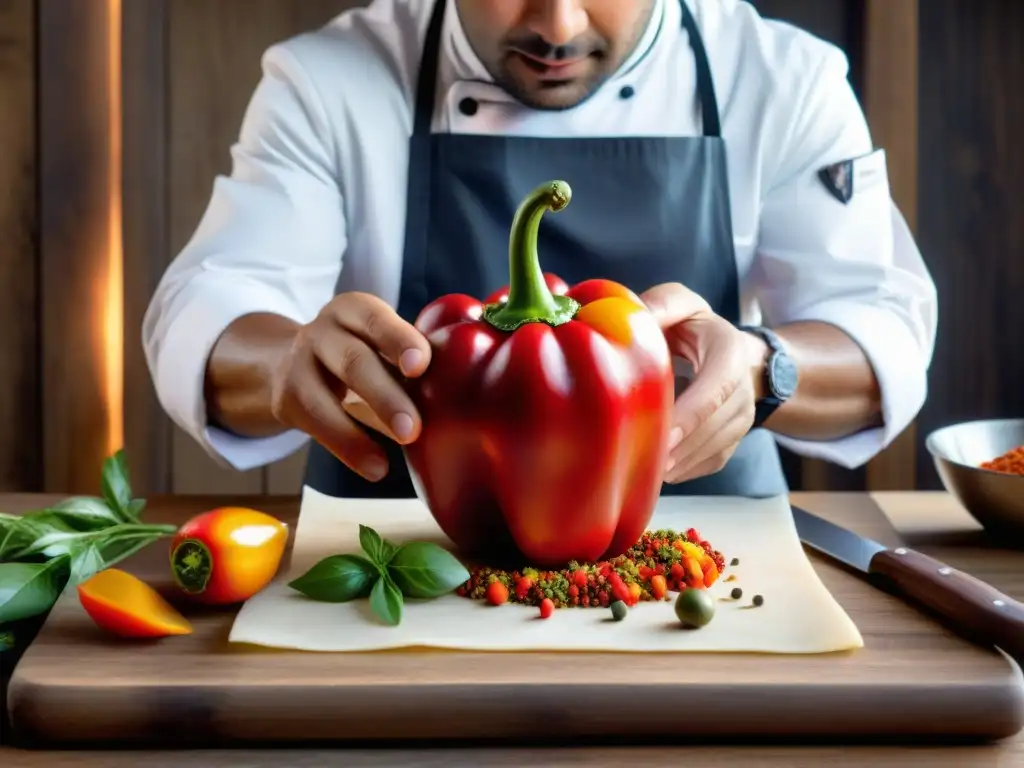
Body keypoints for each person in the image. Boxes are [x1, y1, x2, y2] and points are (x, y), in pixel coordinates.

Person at [142, 0, 937, 500]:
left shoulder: (784, 78)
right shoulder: (325, 81)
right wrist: (287, 363)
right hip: (402, 556)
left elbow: (882, 334)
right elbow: (209, 309)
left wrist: (766, 369)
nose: (558, 26)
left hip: (709, 552)